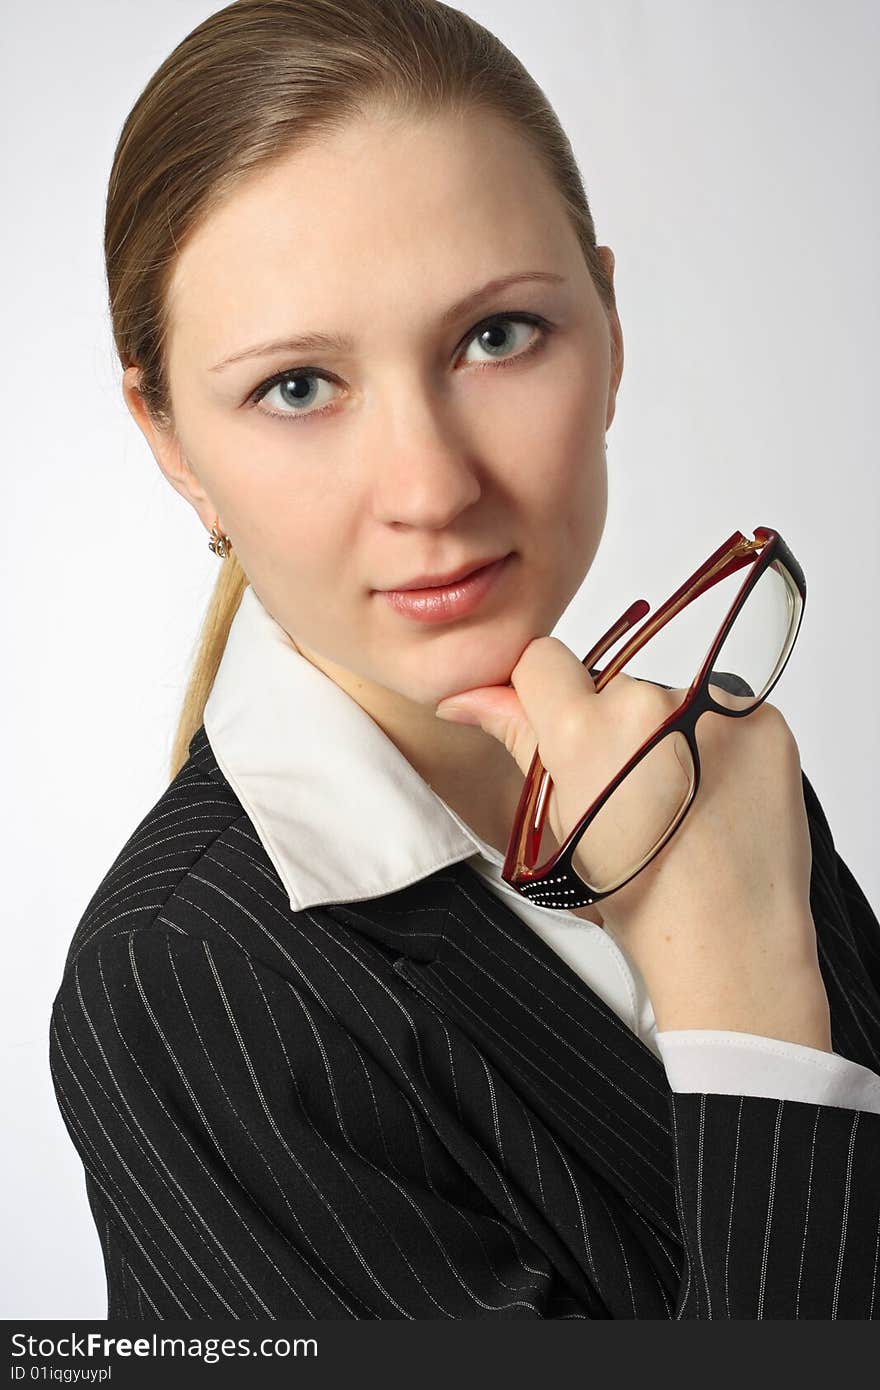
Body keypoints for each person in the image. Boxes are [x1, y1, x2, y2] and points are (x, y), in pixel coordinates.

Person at [49, 0, 880, 1320]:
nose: (431, 487)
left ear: (608, 329)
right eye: (297, 386)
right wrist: (748, 1011)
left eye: (495, 336)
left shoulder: (702, 755)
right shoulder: (184, 985)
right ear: (168, 438)